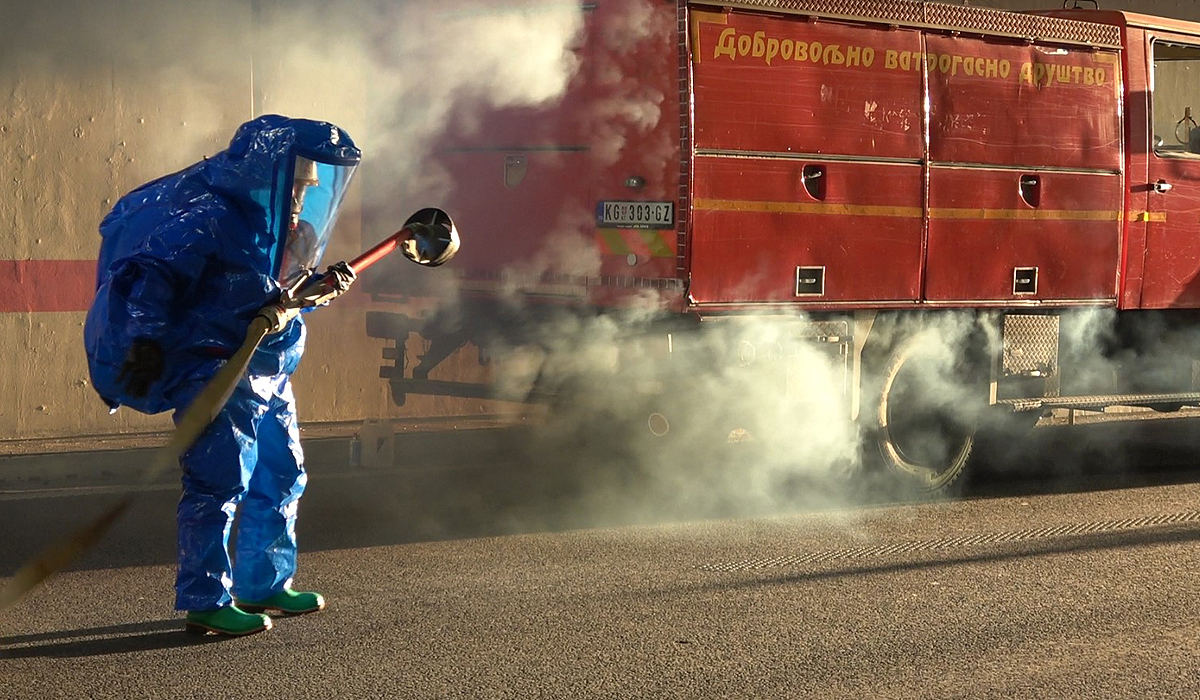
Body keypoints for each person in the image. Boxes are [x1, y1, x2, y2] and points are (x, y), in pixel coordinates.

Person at [83, 115, 361, 636]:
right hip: (219, 367)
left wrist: (316, 291)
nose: (302, 196)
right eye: (298, 183)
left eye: (307, 187)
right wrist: (144, 340)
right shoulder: (210, 217)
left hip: (270, 366)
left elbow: (278, 293)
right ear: (268, 171)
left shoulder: (287, 232)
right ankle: (206, 597)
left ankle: (265, 583)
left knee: (282, 473)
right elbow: (153, 273)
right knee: (219, 480)